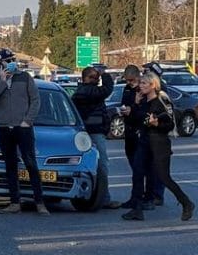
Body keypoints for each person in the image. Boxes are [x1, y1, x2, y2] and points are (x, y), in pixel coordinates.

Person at [122, 71, 195, 221]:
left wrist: (157, 123)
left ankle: (186, 203)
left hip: (159, 144)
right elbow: (138, 120)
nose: (140, 86)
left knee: (163, 177)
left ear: (153, 85)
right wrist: (133, 107)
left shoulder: (161, 101)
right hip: (144, 142)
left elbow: (170, 124)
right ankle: (137, 208)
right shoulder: (142, 101)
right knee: (137, 173)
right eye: (140, 83)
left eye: (143, 83)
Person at [0, 48, 49, 216]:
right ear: (0, 64)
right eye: (7, 61)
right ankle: (14, 202)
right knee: (10, 165)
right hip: (4, 127)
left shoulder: (25, 78)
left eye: (12, 59)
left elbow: (35, 100)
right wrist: (2, 82)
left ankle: (40, 202)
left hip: (23, 128)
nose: (11, 63)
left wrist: (27, 121)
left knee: (31, 164)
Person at [71, 66, 120, 209]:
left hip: (92, 132)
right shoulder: (87, 90)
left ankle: (100, 196)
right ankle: (103, 198)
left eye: (96, 77)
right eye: (92, 77)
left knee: (98, 165)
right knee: (101, 165)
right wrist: (105, 74)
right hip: (92, 133)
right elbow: (107, 89)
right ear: (84, 78)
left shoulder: (86, 91)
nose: (95, 80)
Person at [119, 64, 163, 210]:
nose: (130, 83)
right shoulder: (128, 89)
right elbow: (127, 106)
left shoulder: (148, 92)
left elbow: (148, 114)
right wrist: (129, 109)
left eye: (132, 80)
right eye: (127, 81)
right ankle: (136, 198)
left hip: (144, 135)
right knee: (136, 169)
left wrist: (135, 107)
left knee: (147, 169)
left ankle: (150, 197)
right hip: (131, 132)